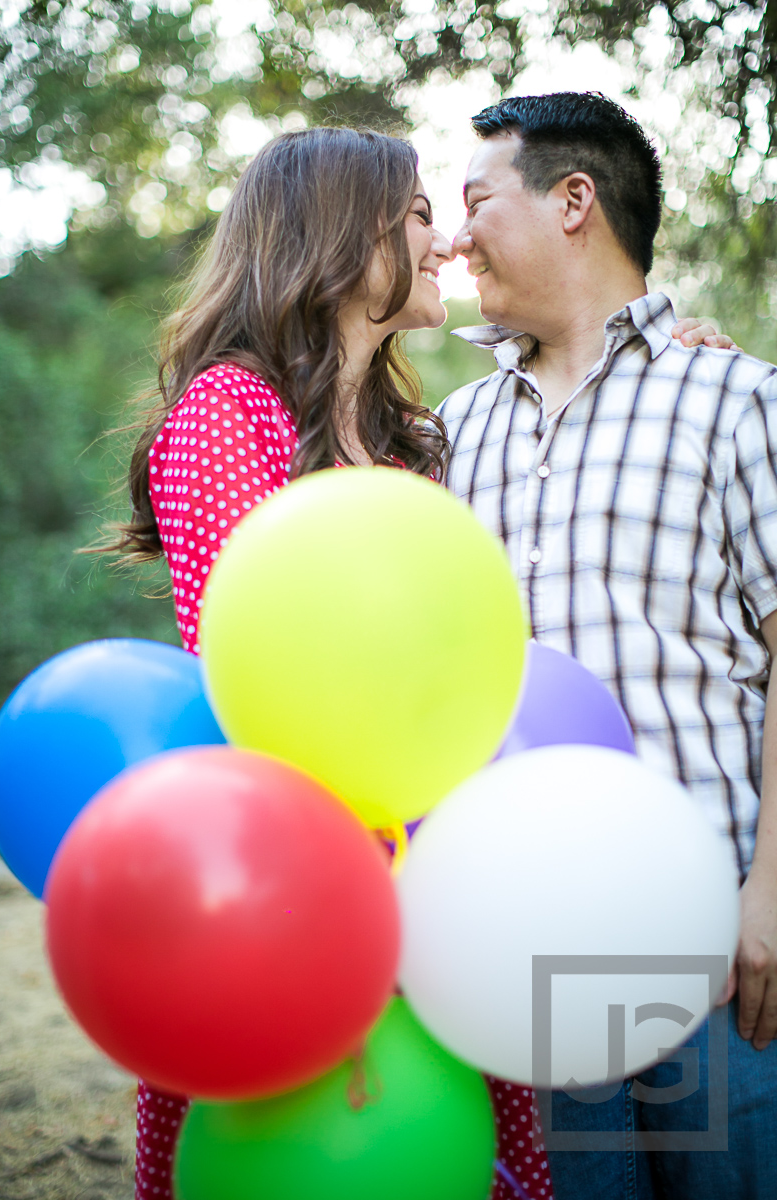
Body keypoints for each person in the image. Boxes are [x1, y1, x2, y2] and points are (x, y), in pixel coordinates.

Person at [107, 123, 726, 1200]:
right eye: (419, 215)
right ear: (346, 240)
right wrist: (340, 935)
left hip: (448, 893)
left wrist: (679, 367)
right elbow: (251, 678)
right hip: (294, 897)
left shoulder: (411, 437)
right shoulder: (226, 412)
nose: (442, 244)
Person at [438, 91, 777, 1200]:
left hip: (719, 942)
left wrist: (770, 895)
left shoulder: (734, 401)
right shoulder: (451, 434)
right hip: (524, 943)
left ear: (572, 200)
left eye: (476, 199)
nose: (454, 234)